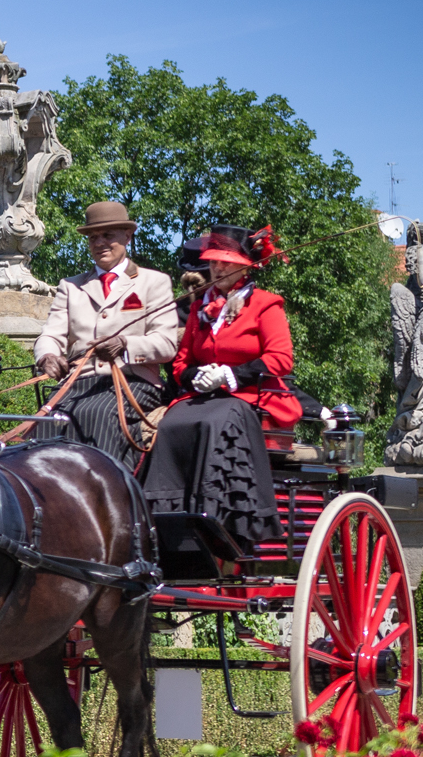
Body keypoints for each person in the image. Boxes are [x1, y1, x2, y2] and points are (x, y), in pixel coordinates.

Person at [139, 225, 300, 548]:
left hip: (251, 398)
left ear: (245, 265)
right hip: (202, 397)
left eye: (226, 262)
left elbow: (281, 359)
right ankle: (167, 525)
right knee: (168, 424)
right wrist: (192, 377)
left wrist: (231, 374)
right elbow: (181, 362)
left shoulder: (266, 305)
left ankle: (216, 523)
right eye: (213, 262)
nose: (218, 267)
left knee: (214, 421)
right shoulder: (200, 307)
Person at [32, 201, 180, 469]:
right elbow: (50, 335)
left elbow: (167, 344)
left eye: (108, 235)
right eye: (93, 237)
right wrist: (48, 355)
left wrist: (125, 345)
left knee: (99, 414)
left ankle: (111, 499)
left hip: (132, 382)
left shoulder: (153, 282)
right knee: (46, 421)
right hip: (79, 383)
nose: (99, 243)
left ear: (127, 236)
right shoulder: (71, 286)